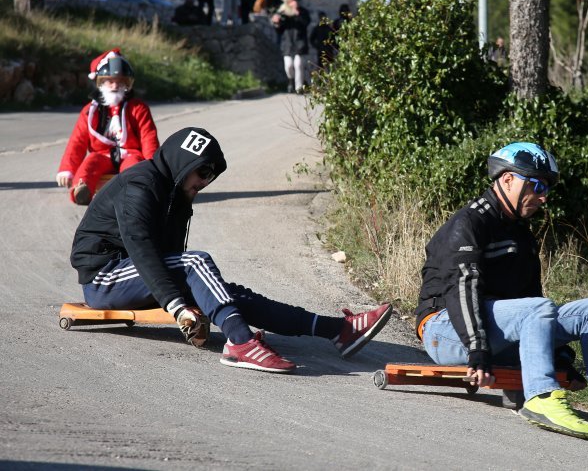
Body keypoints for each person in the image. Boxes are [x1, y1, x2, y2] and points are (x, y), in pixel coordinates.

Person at [71, 126, 393, 372]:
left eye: (211, 175)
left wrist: (197, 301)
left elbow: (169, 255)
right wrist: (178, 306)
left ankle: (337, 330)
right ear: (183, 162)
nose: (206, 181)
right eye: (202, 172)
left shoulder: (178, 196)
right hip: (105, 276)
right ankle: (240, 342)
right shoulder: (140, 185)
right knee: (197, 263)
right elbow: (142, 249)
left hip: (138, 275)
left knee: (222, 292)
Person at [414, 142, 588, 441]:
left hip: (497, 329)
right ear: (507, 179)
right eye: (536, 185)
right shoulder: (469, 223)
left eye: (546, 188)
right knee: (537, 307)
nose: (543, 196)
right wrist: (477, 349)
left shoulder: (521, 233)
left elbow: (532, 299)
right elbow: (462, 288)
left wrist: (560, 355)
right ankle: (542, 397)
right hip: (445, 329)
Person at [56, 49, 159, 205]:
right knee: (90, 164)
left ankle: (134, 192)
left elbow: (148, 138)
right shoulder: (89, 111)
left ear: (127, 83)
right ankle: (81, 190)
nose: (115, 85)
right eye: (110, 81)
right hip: (101, 154)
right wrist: (67, 169)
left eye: (120, 81)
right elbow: (77, 141)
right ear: (101, 82)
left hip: (131, 154)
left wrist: (154, 168)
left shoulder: (138, 108)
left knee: (135, 168)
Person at [272, 0, 310, 94]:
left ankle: (299, 88)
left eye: (294, 0)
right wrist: (276, 23)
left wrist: (297, 12)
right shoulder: (283, 13)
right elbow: (279, 30)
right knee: (288, 66)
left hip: (299, 43)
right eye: (290, 0)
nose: (292, 2)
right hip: (287, 44)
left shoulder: (303, 12)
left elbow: (305, 23)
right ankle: (291, 80)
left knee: (298, 65)